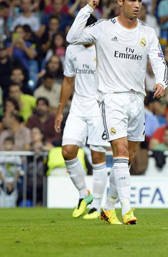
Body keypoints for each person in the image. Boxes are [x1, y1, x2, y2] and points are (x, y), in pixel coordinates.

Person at [67, 0, 168, 225]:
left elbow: (159, 59)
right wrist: (87, 10)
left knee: (128, 158)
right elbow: (72, 38)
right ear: (120, 2)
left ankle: (108, 207)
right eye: (132, 0)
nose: (137, 5)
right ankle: (127, 209)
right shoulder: (102, 28)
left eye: (140, 1)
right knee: (120, 153)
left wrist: (162, 82)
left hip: (137, 99)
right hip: (111, 98)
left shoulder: (147, 32)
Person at [55, 15, 110, 219]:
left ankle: (96, 205)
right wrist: (60, 110)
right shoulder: (72, 49)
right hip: (78, 107)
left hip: (99, 107)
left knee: (97, 156)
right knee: (68, 152)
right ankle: (83, 194)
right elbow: (68, 80)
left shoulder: (104, 47)